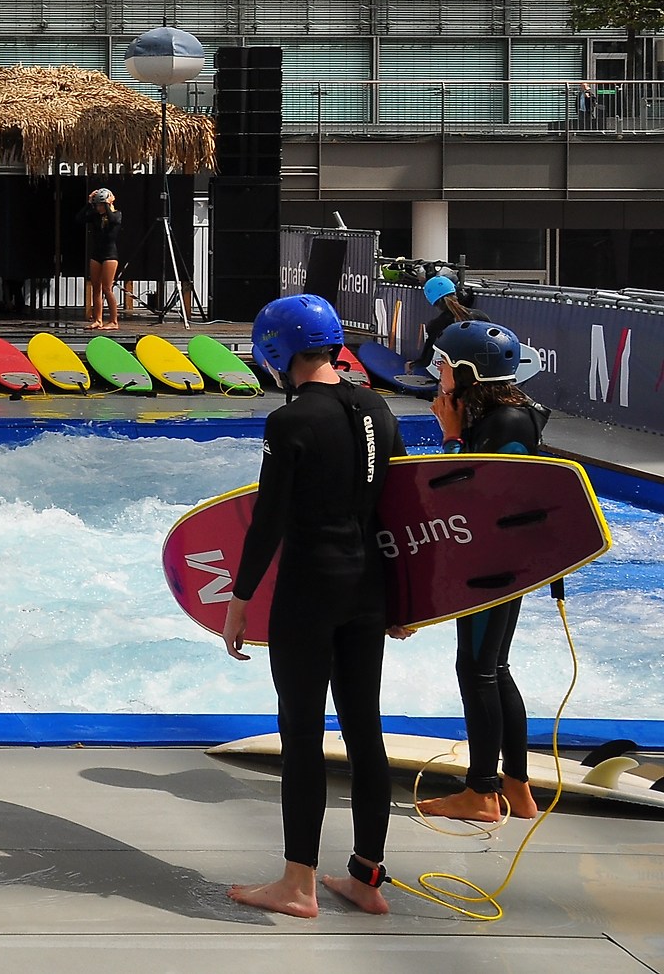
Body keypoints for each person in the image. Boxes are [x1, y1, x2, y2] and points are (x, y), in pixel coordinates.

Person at [224, 293, 406, 920]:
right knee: (366, 732)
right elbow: (401, 510)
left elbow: (266, 521)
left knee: (302, 734)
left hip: (309, 594)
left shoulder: (290, 422)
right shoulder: (377, 407)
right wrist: (405, 599)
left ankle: (297, 884)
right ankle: (366, 878)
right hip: (370, 592)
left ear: (276, 351)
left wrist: (239, 599)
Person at [416, 320, 545, 824]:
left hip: (494, 568)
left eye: (445, 364)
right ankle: (517, 786)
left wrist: (449, 437)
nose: (439, 373)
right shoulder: (502, 416)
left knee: (476, 669)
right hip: (501, 563)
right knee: (495, 667)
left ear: (469, 371)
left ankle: (481, 793)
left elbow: (474, 497)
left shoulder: (508, 424)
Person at [80, 187, 121, 330]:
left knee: (107, 288)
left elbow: (113, 220)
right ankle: (98, 319)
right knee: (95, 287)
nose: (98, 208)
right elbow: (79, 218)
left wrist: (108, 204)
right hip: (97, 254)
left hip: (110, 255)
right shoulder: (95, 216)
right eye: (97, 205)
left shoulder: (116, 214)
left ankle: (114, 321)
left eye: (100, 205)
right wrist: (89, 202)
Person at [415, 275, 477, 368]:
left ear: (435, 303)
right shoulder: (479, 316)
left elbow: (426, 359)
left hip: (457, 372)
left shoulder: (436, 325)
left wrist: (415, 364)